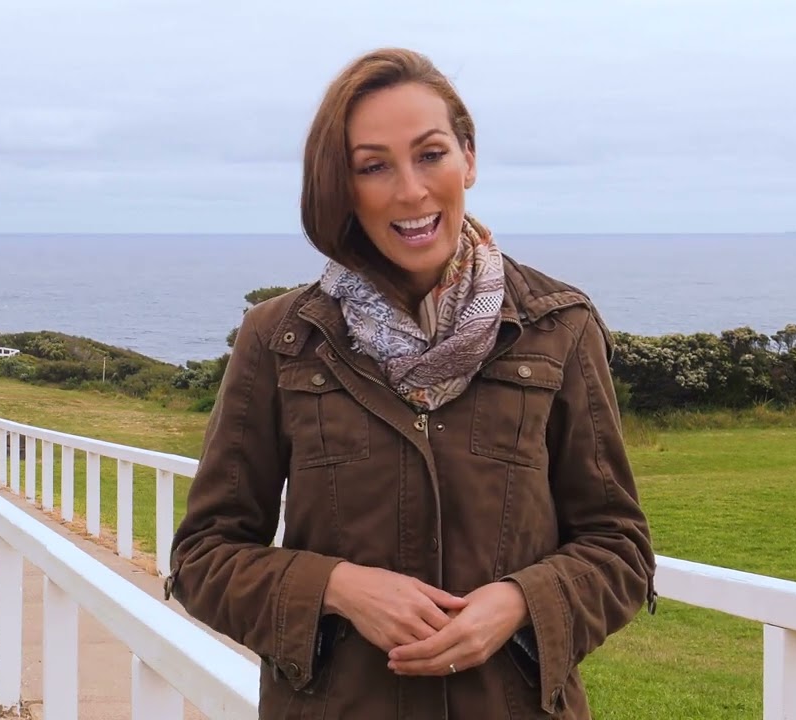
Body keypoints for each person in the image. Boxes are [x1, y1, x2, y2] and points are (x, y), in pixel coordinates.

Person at [167, 48, 655, 719]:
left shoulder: (559, 327)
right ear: (342, 185)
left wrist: (519, 603)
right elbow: (202, 559)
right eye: (373, 166)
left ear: (468, 159)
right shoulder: (279, 339)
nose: (411, 191)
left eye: (430, 154)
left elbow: (620, 550)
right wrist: (338, 588)